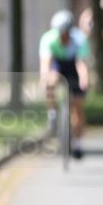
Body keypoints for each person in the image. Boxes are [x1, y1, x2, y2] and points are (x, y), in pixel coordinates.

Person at [39, 10, 90, 159]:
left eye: (66, 33)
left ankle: (78, 143)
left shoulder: (79, 40)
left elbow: (81, 65)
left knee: (78, 107)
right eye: (60, 33)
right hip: (57, 65)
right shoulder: (48, 39)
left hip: (73, 66)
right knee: (50, 80)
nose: (63, 36)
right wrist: (45, 79)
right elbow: (46, 63)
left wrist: (84, 80)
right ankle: (52, 113)